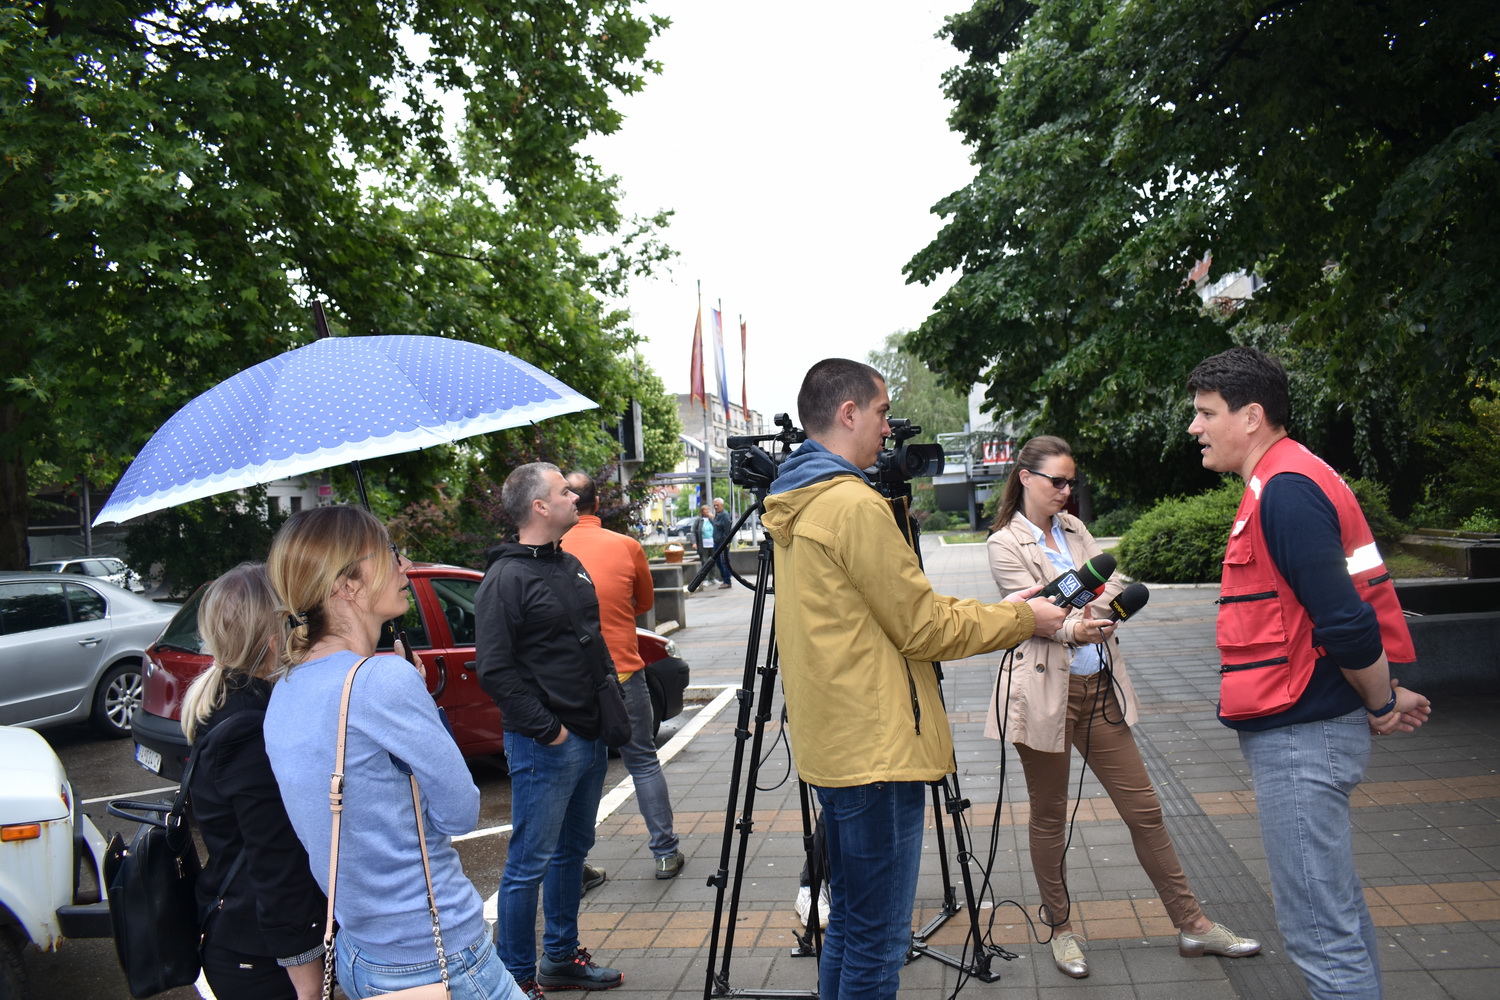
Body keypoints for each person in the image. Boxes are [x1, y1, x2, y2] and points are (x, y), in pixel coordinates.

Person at [759, 357, 1076, 1000]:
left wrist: (1008, 611)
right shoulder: (852, 504)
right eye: (881, 412)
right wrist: (1026, 618)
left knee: (850, 926)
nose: (888, 429)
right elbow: (924, 628)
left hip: (836, 746)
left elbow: (884, 615)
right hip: (877, 752)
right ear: (848, 413)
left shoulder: (797, 499)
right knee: (877, 945)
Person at [1187, 347, 1431, 1000]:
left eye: (1206, 413)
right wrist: (1383, 694)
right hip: (1309, 725)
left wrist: (1381, 704)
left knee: (1319, 929)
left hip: (1303, 735)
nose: (1195, 427)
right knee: (1334, 913)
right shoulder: (1289, 477)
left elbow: (1345, 622)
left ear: (1251, 416)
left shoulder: (1287, 490)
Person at [984, 436, 1260, 979]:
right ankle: (1061, 930)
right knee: (1049, 817)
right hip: (1044, 696)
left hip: (1100, 690)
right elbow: (1034, 615)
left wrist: (1088, 611)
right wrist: (1073, 624)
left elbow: (1110, 585)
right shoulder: (1003, 543)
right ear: (1025, 478)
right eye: (1056, 481)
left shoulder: (1075, 530)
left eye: (1071, 482)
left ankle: (1193, 925)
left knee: (1145, 810)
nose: (1066, 491)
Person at [261, 506, 528, 1000]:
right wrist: (414, 697)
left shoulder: (287, 687)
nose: (405, 566)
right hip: (439, 956)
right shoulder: (382, 681)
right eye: (389, 553)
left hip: (360, 954)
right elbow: (460, 812)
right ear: (347, 585)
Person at [475, 463, 623, 994]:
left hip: (588, 735)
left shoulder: (569, 563)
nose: (574, 496)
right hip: (547, 745)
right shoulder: (504, 579)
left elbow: (591, 642)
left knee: (572, 851)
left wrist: (608, 707)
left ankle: (559, 959)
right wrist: (549, 731)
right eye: (563, 491)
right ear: (539, 506)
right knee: (528, 865)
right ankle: (516, 977)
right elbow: (494, 670)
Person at [180, 564, 325, 1000]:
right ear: (276, 636)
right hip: (262, 958)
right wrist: (307, 977)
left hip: (251, 942)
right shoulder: (249, 728)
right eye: (297, 618)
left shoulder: (228, 697)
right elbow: (275, 861)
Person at [563, 470, 686, 880]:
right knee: (643, 762)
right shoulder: (626, 546)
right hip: (624, 671)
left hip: (573, 679)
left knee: (577, 773)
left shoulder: (551, 551)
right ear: (597, 503)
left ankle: (575, 867)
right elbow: (644, 602)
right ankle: (665, 853)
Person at [712, 496, 733, 588]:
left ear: (722, 505)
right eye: (714, 505)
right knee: (718, 561)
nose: (716, 507)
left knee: (724, 561)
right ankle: (725, 578)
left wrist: (726, 543)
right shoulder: (717, 515)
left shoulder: (725, 515)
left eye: (717, 505)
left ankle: (727, 581)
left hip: (723, 543)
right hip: (717, 542)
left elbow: (727, 530)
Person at [694, 503, 716, 575]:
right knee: (704, 561)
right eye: (705, 510)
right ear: (702, 512)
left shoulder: (712, 519)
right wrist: (694, 543)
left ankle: (712, 577)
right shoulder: (699, 520)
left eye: (708, 509)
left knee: (713, 561)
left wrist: (713, 518)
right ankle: (705, 577)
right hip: (703, 544)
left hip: (712, 543)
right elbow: (693, 531)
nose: (707, 511)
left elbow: (718, 527)